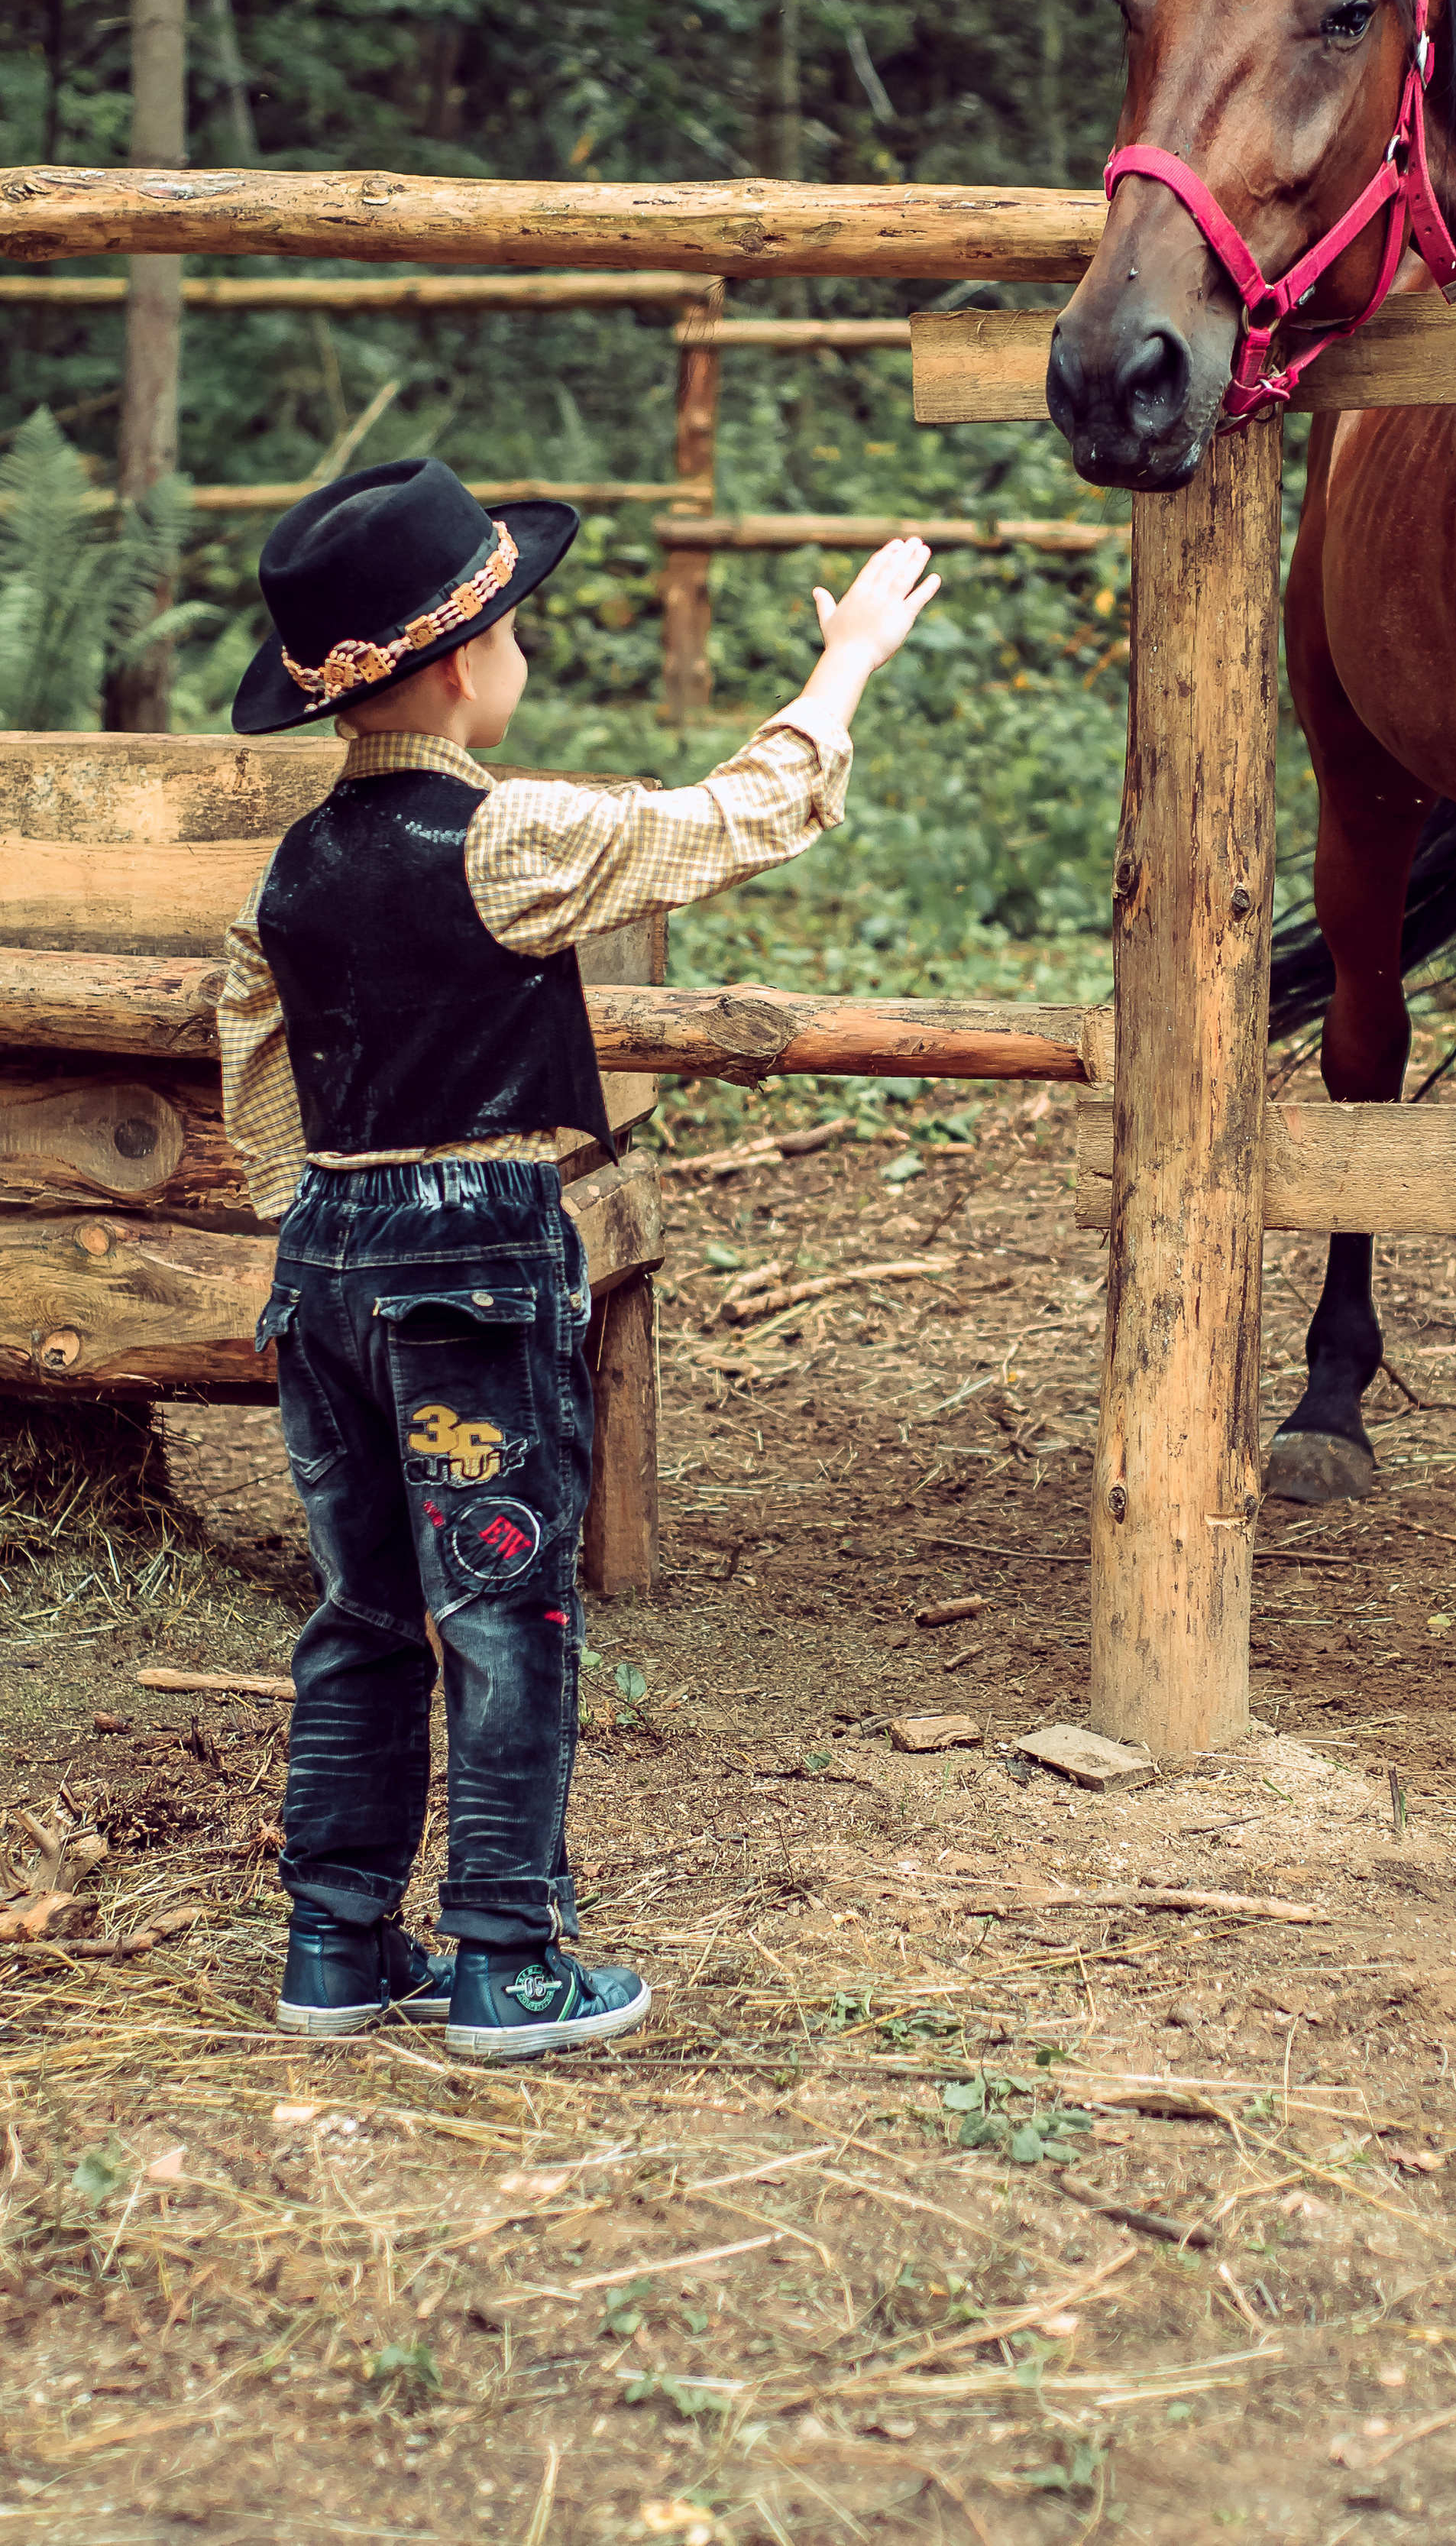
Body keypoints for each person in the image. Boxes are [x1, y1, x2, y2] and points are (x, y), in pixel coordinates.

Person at [219, 457, 939, 2059]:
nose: (524, 646)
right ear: (464, 663)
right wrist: (846, 665)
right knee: (503, 1609)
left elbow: (259, 1084)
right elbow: (732, 819)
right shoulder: (513, 838)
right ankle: (506, 1962)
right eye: (515, 622)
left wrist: (331, 1211)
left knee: (361, 1610)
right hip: (469, 1251)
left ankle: (334, 1949)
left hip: (324, 1255)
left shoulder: (285, 874)